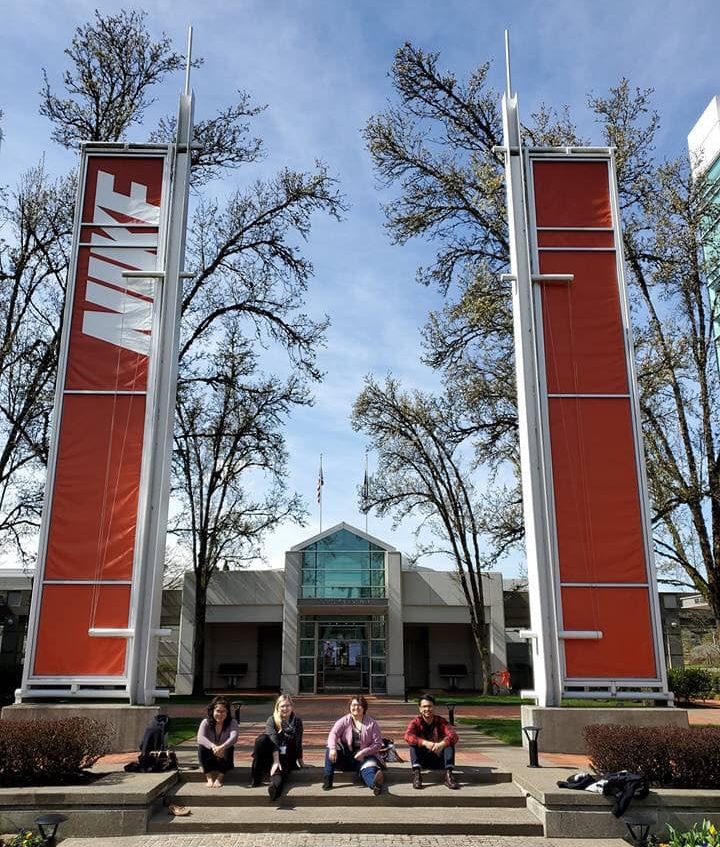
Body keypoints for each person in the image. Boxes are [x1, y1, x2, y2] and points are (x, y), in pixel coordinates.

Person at [323, 694, 384, 796]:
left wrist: (364, 752)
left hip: (364, 758)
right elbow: (333, 734)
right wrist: (333, 748)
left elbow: (377, 744)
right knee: (329, 749)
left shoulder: (372, 723)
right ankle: (327, 780)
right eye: (354, 705)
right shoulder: (344, 721)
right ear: (350, 707)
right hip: (347, 757)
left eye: (359, 705)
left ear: (364, 708)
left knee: (368, 769)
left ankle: (375, 785)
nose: (356, 707)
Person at [250, 694, 304, 801]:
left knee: (279, 772)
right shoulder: (272, 720)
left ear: (292, 707)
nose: (285, 709)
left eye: (287, 706)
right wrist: (276, 761)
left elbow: (298, 742)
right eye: (282, 706)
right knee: (261, 739)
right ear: (277, 708)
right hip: (272, 754)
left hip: (287, 756)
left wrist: (301, 762)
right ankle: (256, 775)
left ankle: (274, 789)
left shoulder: (297, 722)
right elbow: (273, 740)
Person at [404, 693, 459, 789]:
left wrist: (442, 744)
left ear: (434, 707)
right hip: (423, 761)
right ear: (420, 708)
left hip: (440, 759)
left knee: (449, 742)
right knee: (413, 743)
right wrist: (424, 743)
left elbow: (454, 735)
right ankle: (417, 775)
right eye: (424, 706)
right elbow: (407, 736)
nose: (427, 709)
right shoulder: (416, 722)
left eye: (430, 706)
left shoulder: (441, 721)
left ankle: (449, 775)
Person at [197, 695, 238, 788]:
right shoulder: (205, 722)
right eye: (218, 711)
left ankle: (219, 778)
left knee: (229, 747)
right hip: (210, 758)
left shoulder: (233, 722)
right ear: (212, 711)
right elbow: (200, 737)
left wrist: (222, 746)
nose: (220, 714)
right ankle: (209, 778)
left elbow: (234, 737)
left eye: (223, 711)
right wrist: (213, 746)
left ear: (227, 712)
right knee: (201, 747)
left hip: (225, 759)